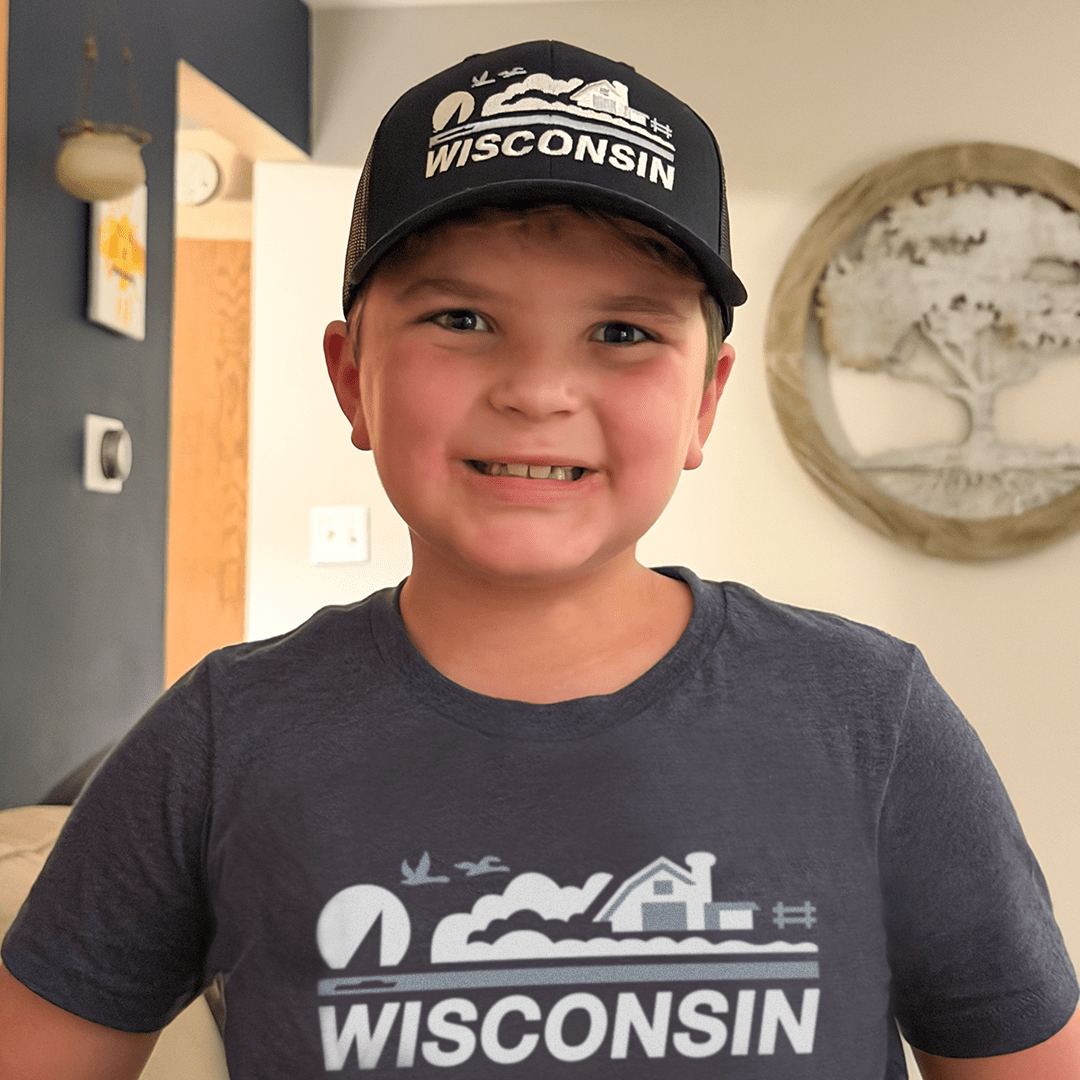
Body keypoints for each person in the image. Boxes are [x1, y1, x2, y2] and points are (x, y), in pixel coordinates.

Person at [1, 40, 1078, 1080]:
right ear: (351, 378)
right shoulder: (218, 739)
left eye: (622, 333)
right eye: (462, 318)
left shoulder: (872, 720)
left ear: (706, 400)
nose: (537, 390)